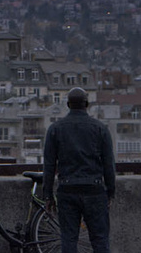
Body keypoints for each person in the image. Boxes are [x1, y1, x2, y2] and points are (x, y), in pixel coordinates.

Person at [41, 86, 116, 253]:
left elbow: (49, 165)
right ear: (86, 104)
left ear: (68, 104)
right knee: (100, 240)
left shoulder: (55, 129)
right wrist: (110, 191)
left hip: (67, 190)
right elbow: (108, 164)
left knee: (68, 239)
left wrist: (47, 195)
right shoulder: (100, 129)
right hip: (94, 190)